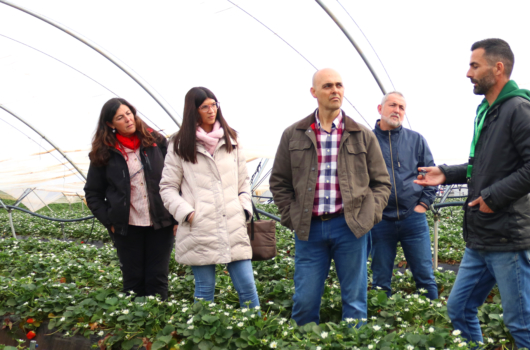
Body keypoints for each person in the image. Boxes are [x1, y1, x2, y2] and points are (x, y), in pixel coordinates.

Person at [415, 39, 530, 350]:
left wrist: (495, 196)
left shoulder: (519, 110)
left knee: (520, 324)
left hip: (506, 238)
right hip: (481, 237)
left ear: (498, 68)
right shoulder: (489, 112)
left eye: (475, 66)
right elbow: (482, 166)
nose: (468, 73)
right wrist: (447, 173)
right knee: (459, 308)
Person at [269, 68, 391, 326]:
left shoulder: (362, 134)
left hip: (350, 227)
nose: (335, 90)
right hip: (309, 228)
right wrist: (291, 216)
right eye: (327, 86)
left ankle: (354, 342)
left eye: (339, 85)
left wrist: (368, 217)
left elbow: (381, 183)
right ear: (314, 93)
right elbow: (279, 182)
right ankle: (302, 342)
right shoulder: (293, 134)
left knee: (355, 301)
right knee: (304, 300)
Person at [159, 87, 259, 309]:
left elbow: (243, 182)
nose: (211, 110)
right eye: (205, 106)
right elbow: (167, 188)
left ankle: (257, 334)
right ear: (193, 111)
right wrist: (188, 214)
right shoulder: (179, 144)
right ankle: (202, 337)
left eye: (214, 104)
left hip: (232, 223)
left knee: (247, 288)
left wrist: (243, 208)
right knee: (204, 289)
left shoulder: (232, 138)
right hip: (200, 228)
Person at [85, 98, 177, 300]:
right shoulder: (104, 152)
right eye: (120, 117)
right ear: (110, 124)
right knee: (133, 279)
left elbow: (177, 178)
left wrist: (177, 216)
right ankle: (134, 324)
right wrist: (110, 221)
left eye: (129, 113)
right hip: (127, 227)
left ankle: (155, 322)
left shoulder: (156, 142)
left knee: (158, 277)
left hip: (160, 223)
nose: (128, 119)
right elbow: (93, 193)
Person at [369, 91, 438, 300]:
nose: (397, 110)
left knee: (425, 276)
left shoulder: (416, 140)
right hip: (380, 221)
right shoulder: (367, 141)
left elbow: (430, 174)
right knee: (380, 279)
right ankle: (382, 322)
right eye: (392, 105)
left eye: (401, 107)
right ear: (380, 109)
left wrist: (423, 205)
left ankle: (434, 319)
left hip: (413, 219)